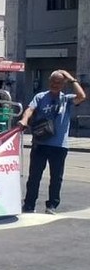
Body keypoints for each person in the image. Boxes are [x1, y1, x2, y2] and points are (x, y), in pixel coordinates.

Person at [19, 70, 86, 214]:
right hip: (40, 143)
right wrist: (24, 120)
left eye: (59, 82)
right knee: (34, 176)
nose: (55, 84)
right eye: (53, 81)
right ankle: (29, 205)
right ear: (49, 82)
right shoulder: (41, 96)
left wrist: (71, 79)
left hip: (59, 145)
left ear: (63, 84)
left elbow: (82, 96)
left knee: (56, 178)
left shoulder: (66, 99)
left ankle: (52, 205)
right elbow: (30, 109)